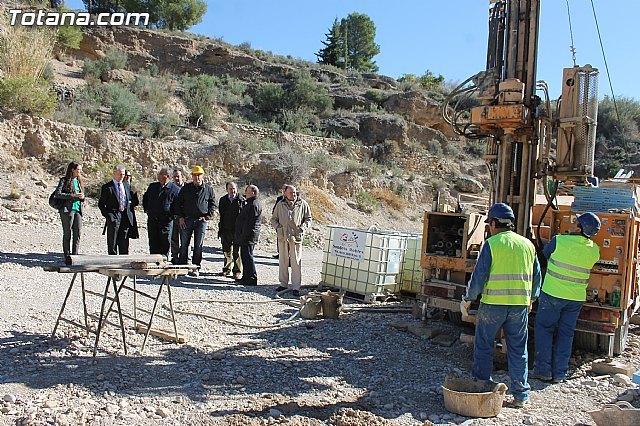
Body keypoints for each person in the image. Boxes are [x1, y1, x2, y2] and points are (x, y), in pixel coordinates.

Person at [460, 203, 542, 408]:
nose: (489, 228)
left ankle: (483, 386)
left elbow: (479, 276)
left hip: (493, 305)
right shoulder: (528, 245)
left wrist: (468, 298)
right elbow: (537, 277)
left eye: (489, 224)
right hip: (519, 306)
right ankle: (521, 394)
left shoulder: (492, 244)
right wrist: (532, 298)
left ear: (494, 223)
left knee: (484, 345)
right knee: (518, 349)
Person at [533, 212, 601, 383]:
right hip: (575, 298)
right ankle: (560, 373)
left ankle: (543, 370)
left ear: (579, 228)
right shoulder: (594, 250)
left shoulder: (559, 241)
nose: (571, 224)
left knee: (544, 329)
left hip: (552, 294)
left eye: (575, 222)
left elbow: (545, 256)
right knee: (566, 334)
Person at [174, 165, 216, 277]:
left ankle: (195, 267)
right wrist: (181, 217)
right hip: (187, 220)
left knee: (198, 245)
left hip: (200, 221)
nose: (197, 177)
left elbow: (212, 204)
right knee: (184, 244)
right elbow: (179, 203)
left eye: (199, 175)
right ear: (192, 176)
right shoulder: (186, 189)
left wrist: (207, 216)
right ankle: (182, 267)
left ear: (202, 176)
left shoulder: (208, 189)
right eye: (195, 175)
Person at [271, 184, 312, 297]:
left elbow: (308, 219)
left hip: (296, 237)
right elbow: (273, 219)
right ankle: (283, 284)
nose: (293, 194)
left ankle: (296, 287)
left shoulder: (302, 204)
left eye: (294, 192)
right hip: (283, 237)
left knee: (296, 263)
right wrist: (278, 227)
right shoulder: (280, 204)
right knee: (283, 261)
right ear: (285, 193)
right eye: (291, 192)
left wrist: (302, 228)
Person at [142, 166, 181, 257]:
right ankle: (153, 264)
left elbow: (177, 206)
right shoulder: (153, 186)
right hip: (153, 221)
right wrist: (147, 210)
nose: (158, 176)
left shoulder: (175, 189)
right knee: (153, 243)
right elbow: (145, 198)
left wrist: (171, 217)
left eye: (160, 174)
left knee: (164, 244)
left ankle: (162, 265)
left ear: (167, 176)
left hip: (165, 223)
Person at [98, 165, 135, 255]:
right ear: (114, 174)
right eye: (120, 174)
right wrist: (108, 216)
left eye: (123, 174)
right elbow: (101, 204)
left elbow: (132, 199)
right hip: (113, 216)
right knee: (112, 241)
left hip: (125, 216)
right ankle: (112, 261)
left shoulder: (126, 186)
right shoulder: (107, 187)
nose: (122, 176)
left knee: (124, 242)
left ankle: (124, 262)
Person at [53, 161, 85, 264]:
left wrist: (82, 197)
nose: (79, 172)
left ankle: (75, 256)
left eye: (80, 170)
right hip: (67, 210)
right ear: (72, 169)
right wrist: (73, 196)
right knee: (68, 233)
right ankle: (67, 256)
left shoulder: (79, 181)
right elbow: (58, 194)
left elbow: (81, 195)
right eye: (78, 170)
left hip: (78, 210)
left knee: (78, 232)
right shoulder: (64, 180)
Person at [235, 184, 262, 286]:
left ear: (253, 193)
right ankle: (246, 277)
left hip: (248, 236)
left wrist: (243, 235)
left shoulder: (254, 204)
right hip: (246, 235)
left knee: (248, 256)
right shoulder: (250, 203)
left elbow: (249, 223)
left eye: (247, 190)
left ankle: (251, 278)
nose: (245, 192)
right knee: (245, 256)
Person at [217, 181, 244, 279]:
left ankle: (237, 271)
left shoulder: (241, 200)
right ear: (226, 189)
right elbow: (221, 214)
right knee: (226, 250)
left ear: (237, 189)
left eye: (234, 189)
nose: (232, 191)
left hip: (237, 230)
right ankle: (226, 269)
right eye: (230, 189)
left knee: (237, 251)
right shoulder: (223, 200)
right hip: (226, 229)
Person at [170, 167, 186, 263]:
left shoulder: (187, 188)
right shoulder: (171, 188)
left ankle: (185, 259)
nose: (177, 178)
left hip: (185, 218)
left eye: (178, 176)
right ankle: (175, 258)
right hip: (173, 217)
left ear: (182, 177)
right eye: (175, 177)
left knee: (185, 240)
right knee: (173, 239)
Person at [123, 169, 140, 241]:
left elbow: (136, 201)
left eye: (129, 176)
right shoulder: (120, 186)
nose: (127, 177)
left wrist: (130, 202)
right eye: (125, 175)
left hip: (129, 212)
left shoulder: (132, 188)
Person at [271, 185, 287, 259]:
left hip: (288, 224)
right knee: (279, 238)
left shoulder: (292, 199)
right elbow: (275, 210)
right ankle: (280, 253)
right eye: (283, 189)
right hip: (279, 222)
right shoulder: (279, 199)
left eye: (285, 189)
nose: (283, 191)